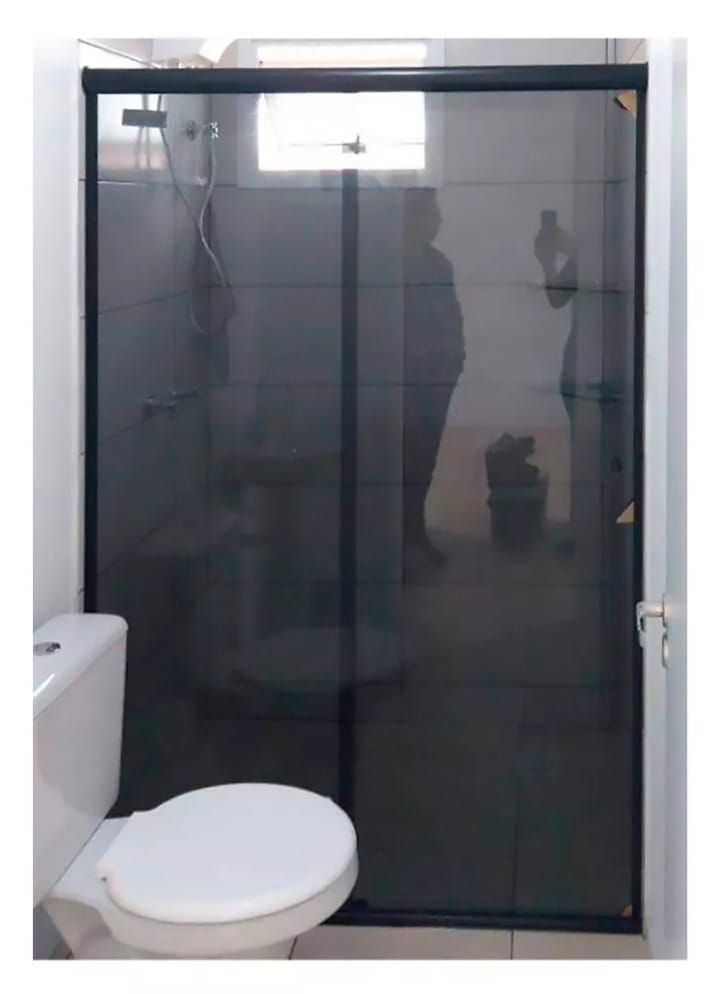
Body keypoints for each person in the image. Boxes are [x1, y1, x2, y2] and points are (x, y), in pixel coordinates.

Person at [402, 188, 465, 566]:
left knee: (424, 460)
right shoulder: (390, 266)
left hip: (437, 379)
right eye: (432, 213)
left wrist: (455, 360)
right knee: (404, 463)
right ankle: (400, 542)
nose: (439, 220)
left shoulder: (438, 264)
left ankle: (414, 534)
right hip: (407, 381)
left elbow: (451, 318)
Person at [533, 211, 579, 552]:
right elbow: (557, 297)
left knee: (591, 450)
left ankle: (594, 531)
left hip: (590, 364)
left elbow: (556, 298)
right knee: (585, 450)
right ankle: (588, 530)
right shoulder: (587, 255)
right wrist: (548, 260)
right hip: (582, 365)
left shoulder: (596, 254)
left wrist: (564, 254)